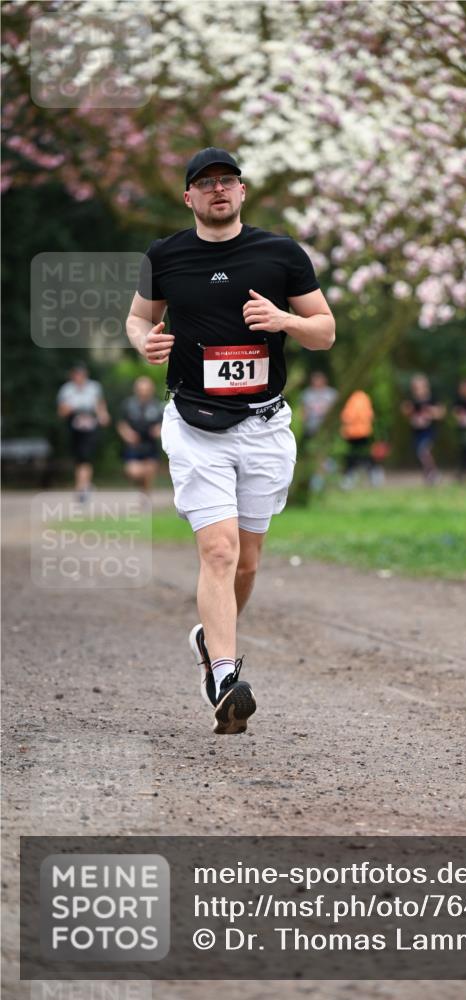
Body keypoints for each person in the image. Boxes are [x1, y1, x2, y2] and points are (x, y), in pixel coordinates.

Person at [125, 147, 334, 735]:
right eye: (206, 183)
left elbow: (325, 330)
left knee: (247, 561)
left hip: (265, 426)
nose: (219, 190)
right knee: (218, 552)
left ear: (242, 193)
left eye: (228, 181)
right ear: (188, 197)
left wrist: (285, 321)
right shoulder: (164, 256)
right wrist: (144, 340)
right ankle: (223, 674)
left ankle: (210, 640)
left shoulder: (281, 252)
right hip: (195, 424)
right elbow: (138, 318)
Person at [56, 362, 110, 502]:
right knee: (79, 458)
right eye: (77, 374)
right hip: (74, 425)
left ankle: (81, 488)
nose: (79, 377)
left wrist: (103, 415)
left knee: (86, 456)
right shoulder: (66, 390)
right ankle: (84, 484)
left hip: (90, 425)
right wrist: (71, 408)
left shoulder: (94, 387)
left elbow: (100, 404)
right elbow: (61, 411)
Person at [117, 376, 164, 493]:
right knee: (134, 472)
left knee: (149, 471)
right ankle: (142, 487)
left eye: (146, 389)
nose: (144, 392)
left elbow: (163, 424)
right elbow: (121, 423)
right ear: (136, 390)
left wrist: (158, 430)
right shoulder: (128, 404)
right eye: (141, 389)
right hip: (134, 446)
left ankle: (145, 498)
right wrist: (127, 434)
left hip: (150, 445)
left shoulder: (157, 406)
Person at [401, 373, 446, 484]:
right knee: (421, 453)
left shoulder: (432, 398)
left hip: (429, 431)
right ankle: (429, 474)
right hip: (417, 432)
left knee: (424, 451)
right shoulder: (412, 400)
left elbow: (441, 412)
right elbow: (405, 411)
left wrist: (430, 413)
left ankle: (433, 473)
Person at [339, 389, 377, 488]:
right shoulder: (365, 399)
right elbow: (370, 415)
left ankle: (350, 477)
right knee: (365, 455)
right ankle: (373, 475)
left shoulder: (351, 400)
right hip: (365, 432)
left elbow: (346, 417)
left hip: (351, 434)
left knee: (352, 456)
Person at [300, 370, 338, 439]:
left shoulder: (332, 394)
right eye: (315, 380)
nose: (317, 382)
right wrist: (303, 424)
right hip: (311, 426)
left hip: (328, 426)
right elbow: (304, 410)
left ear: (325, 381)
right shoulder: (306, 394)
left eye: (319, 380)